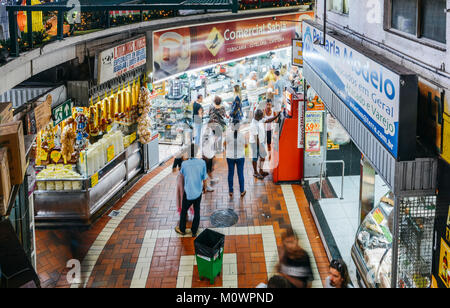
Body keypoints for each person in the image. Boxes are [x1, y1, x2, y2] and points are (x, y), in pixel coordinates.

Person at [175, 144, 207, 238]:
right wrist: (204, 187)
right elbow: (204, 178)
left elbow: (182, 174)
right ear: (197, 152)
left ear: (188, 153)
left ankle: (182, 229)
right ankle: (194, 231)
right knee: (197, 211)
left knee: (184, 211)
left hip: (188, 193)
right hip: (198, 191)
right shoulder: (202, 163)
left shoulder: (184, 164)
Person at [250, 109, 279, 179]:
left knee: (263, 157)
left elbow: (268, 120)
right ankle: (255, 172)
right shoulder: (253, 125)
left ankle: (261, 171)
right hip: (255, 143)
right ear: (258, 116)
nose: (263, 117)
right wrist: (261, 147)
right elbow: (256, 138)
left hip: (261, 142)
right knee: (255, 158)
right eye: (261, 116)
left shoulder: (259, 119)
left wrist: (276, 116)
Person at [224, 123, 247, 198]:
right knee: (240, 174)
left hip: (230, 157)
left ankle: (231, 191)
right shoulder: (242, 135)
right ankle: (242, 191)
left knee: (230, 173)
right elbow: (246, 145)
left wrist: (227, 149)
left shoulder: (228, 135)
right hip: (240, 157)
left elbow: (224, 144)